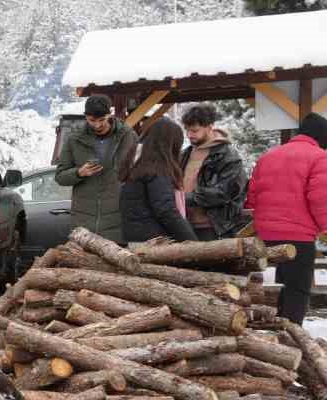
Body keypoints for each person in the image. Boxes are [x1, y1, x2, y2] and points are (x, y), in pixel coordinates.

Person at [245, 113, 327, 325]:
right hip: (298, 236)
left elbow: (252, 197)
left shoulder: (268, 156)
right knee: (297, 290)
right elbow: (320, 198)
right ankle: (290, 339)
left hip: (266, 235)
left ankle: (274, 331)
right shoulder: (319, 157)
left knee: (278, 286)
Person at [55, 94, 134, 243]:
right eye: (92, 120)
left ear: (110, 114)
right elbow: (60, 176)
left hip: (118, 222)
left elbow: (139, 174)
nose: (97, 125)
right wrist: (79, 173)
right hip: (84, 225)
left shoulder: (128, 136)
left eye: (101, 120)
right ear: (85, 117)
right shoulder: (74, 139)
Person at [121, 118, 197, 244]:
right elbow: (166, 210)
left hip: (136, 236)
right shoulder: (156, 169)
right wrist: (193, 242)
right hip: (155, 238)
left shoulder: (136, 163)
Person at [179, 104, 248, 240]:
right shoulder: (184, 154)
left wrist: (184, 198)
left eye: (194, 130)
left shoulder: (228, 156)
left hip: (214, 228)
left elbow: (225, 192)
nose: (189, 135)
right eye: (186, 130)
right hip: (185, 226)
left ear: (210, 127)